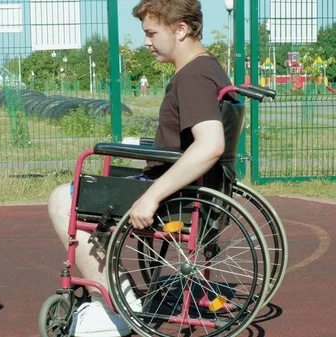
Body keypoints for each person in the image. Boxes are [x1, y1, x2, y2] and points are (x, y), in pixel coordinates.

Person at [47, 0, 233, 336]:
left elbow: (210, 144)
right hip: (187, 186)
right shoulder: (207, 68)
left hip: (173, 194)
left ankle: (114, 303)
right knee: (87, 189)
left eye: (151, 33)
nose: (146, 42)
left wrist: (151, 197)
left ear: (180, 30)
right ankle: (114, 291)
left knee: (64, 198)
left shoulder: (193, 77)